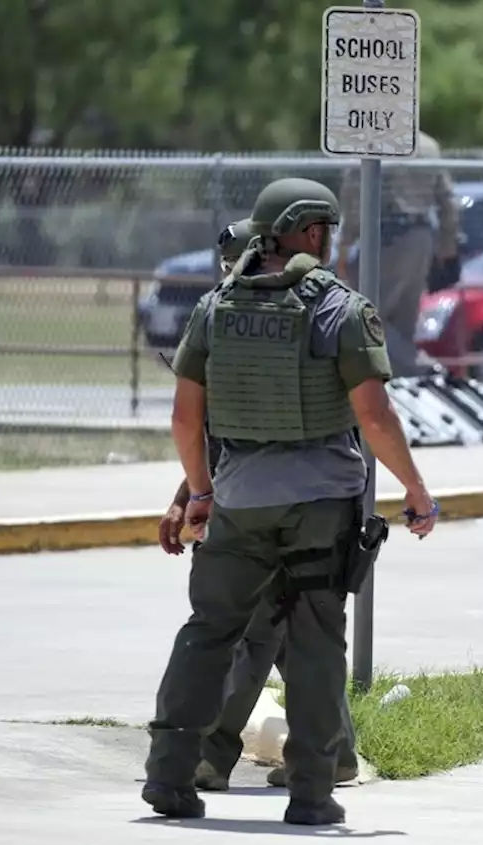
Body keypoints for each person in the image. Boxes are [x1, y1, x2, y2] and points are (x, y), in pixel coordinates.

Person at [142, 177, 440, 826]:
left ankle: (169, 776)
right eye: (325, 230)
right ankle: (311, 794)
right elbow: (376, 416)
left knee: (209, 632)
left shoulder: (216, 306)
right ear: (307, 231)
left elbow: (186, 419)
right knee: (312, 644)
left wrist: (199, 492)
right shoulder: (338, 308)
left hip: (239, 501)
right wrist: (415, 490)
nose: (330, 242)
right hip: (320, 505)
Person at [155, 217, 360, 795]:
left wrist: (194, 497)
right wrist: (185, 498)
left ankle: (208, 756)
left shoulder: (296, 320)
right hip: (258, 497)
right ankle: (333, 752)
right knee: (290, 637)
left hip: (281, 504)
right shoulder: (233, 316)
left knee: (253, 634)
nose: (230, 274)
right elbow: (215, 430)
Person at [335, 129, 460, 377]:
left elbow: (354, 198)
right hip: (421, 236)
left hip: (385, 239)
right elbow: (448, 200)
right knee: (403, 321)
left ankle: (418, 369)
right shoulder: (428, 145)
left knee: (363, 316)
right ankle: (403, 382)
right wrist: (448, 245)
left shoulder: (373, 139)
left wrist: (345, 244)